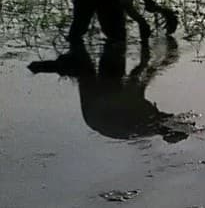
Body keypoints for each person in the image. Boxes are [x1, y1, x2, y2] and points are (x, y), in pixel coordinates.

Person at [28, 38, 192, 143]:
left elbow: (135, 81)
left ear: (170, 127)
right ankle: (51, 66)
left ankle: (50, 66)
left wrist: (151, 62)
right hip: (103, 113)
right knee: (106, 61)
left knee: (86, 67)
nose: (173, 114)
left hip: (98, 111)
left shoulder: (147, 120)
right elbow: (135, 83)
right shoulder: (149, 125)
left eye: (175, 120)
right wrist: (154, 64)